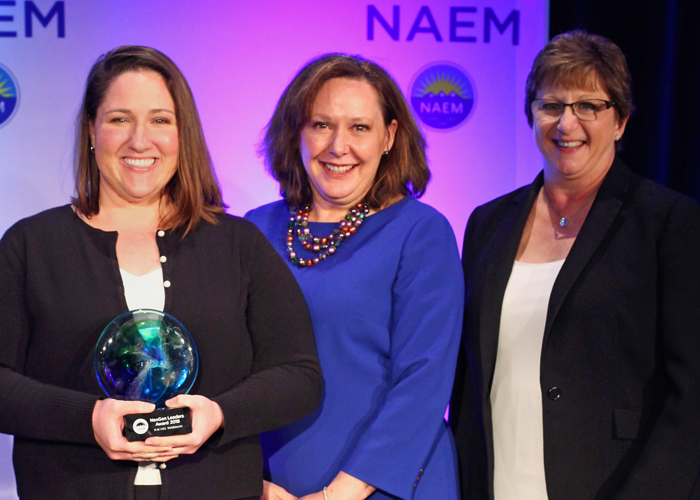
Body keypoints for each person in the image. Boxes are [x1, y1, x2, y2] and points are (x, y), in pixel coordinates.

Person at [0, 46, 323, 500]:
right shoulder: (30, 246)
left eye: (160, 120)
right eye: (119, 119)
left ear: (182, 133)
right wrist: (86, 419)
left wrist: (221, 414)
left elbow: (299, 376)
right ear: (92, 130)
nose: (139, 140)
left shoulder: (238, 244)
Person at [449, 30, 700, 500]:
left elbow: (691, 396)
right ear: (531, 114)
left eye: (588, 105)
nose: (567, 123)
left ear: (621, 120)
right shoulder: (488, 222)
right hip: (497, 482)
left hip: (614, 484)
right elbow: (468, 381)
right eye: (551, 105)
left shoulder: (668, 222)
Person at [245, 54, 464, 500]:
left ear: (389, 136)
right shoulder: (253, 230)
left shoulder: (420, 231)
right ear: (296, 133)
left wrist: (337, 496)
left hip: (389, 484)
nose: (338, 146)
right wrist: (252, 484)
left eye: (359, 128)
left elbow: (424, 380)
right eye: (321, 125)